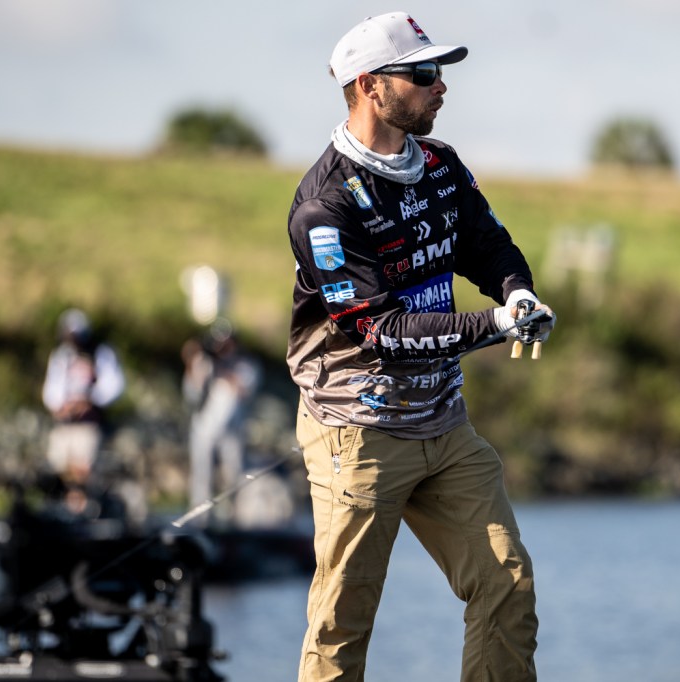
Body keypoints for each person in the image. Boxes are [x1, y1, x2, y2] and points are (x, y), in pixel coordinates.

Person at [285, 11, 555, 681]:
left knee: (508, 586)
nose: (441, 86)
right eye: (425, 73)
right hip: (358, 434)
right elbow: (380, 330)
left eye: (441, 72)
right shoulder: (325, 206)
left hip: (444, 423)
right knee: (343, 625)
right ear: (370, 86)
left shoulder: (439, 164)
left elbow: (488, 246)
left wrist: (517, 293)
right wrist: (496, 325)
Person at [41, 308, 125, 509]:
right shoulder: (61, 356)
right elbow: (51, 389)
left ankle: (84, 509)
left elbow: (114, 385)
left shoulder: (100, 353)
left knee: (83, 469)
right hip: (64, 425)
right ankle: (61, 508)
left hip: (88, 424)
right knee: (59, 467)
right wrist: (61, 406)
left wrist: (89, 400)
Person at [181, 319, 261, 523]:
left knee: (233, 474)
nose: (223, 348)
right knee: (202, 475)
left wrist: (222, 369)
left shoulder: (244, 365)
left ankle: (233, 518)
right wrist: (192, 364)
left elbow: (243, 389)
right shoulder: (204, 364)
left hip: (232, 431)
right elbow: (191, 393)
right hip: (204, 429)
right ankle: (200, 518)